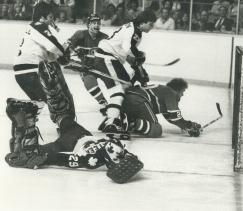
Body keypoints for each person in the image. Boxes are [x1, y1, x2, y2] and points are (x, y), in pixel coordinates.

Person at [4, 61, 143, 184]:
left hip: (81, 134)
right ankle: (26, 118)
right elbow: (64, 159)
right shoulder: (93, 160)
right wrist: (45, 157)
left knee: (64, 116)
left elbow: (130, 158)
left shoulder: (116, 147)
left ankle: (54, 94)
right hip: (68, 145)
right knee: (27, 154)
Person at [84, 9, 157, 139]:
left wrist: (137, 59)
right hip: (106, 58)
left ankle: (114, 118)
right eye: (150, 24)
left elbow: (127, 51)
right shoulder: (133, 30)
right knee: (118, 89)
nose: (152, 27)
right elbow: (128, 49)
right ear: (144, 22)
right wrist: (138, 56)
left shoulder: (134, 28)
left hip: (111, 58)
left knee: (126, 85)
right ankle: (111, 122)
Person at [12, 2, 73, 131]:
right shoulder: (39, 26)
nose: (52, 20)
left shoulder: (31, 28)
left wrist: (61, 56)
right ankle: (68, 128)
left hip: (20, 73)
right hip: (32, 71)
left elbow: (49, 54)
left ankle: (21, 126)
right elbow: (54, 45)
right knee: (57, 101)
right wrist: (64, 53)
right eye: (50, 17)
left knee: (38, 102)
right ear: (42, 17)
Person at [99, 78, 202, 138]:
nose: (182, 95)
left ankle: (116, 120)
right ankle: (130, 122)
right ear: (178, 90)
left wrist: (186, 126)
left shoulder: (161, 89)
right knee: (156, 130)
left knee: (145, 126)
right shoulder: (170, 92)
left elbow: (170, 117)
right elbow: (175, 117)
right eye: (182, 92)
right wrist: (189, 126)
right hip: (139, 101)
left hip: (126, 100)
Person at [67, 14, 110, 116]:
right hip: (86, 68)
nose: (96, 26)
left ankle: (117, 103)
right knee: (89, 82)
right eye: (94, 23)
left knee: (113, 84)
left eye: (98, 23)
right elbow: (67, 49)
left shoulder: (104, 38)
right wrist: (76, 62)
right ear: (88, 25)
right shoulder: (80, 35)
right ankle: (104, 104)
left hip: (102, 66)